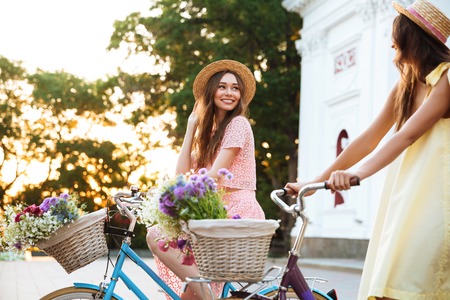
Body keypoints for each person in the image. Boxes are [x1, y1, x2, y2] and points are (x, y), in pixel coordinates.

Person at [285, 1, 450, 299]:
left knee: (414, 284)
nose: (391, 42)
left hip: (438, 198)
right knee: (389, 285)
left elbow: (406, 137)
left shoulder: (446, 79)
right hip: (406, 195)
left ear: (413, 37)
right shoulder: (406, 86)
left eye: (397, 34)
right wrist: (313, 182)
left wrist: (355, 173)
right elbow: (368, 138)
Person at [147, 59, 265, 300]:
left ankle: (209, 296)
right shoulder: (208, 137)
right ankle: (207, 293)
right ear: (211, 92)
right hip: (213, 217)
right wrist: (192, 128)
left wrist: (177, 196)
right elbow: (182, 175)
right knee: (190, 297)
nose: (229, 92)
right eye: (222, 86)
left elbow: (213, 177)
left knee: (156, 235)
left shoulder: (239, 124)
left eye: (235, 88)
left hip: (236, 214)